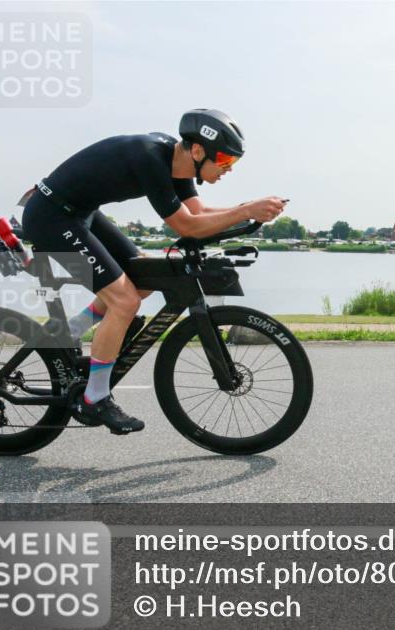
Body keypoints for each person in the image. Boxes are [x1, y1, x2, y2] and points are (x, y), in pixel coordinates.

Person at [21, 109, 286, 434]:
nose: (227, 170)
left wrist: (247, 210)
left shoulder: (179, 162)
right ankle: (95, 397)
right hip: (51, 216)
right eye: (226, 161)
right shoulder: (151, 158)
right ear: (199, 151)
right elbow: (186, 225)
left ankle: (67, 332)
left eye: (233, 164)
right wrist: (245, 211)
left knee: (141, 282)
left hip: (79, 212)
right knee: (123, 301)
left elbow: (198, 211)